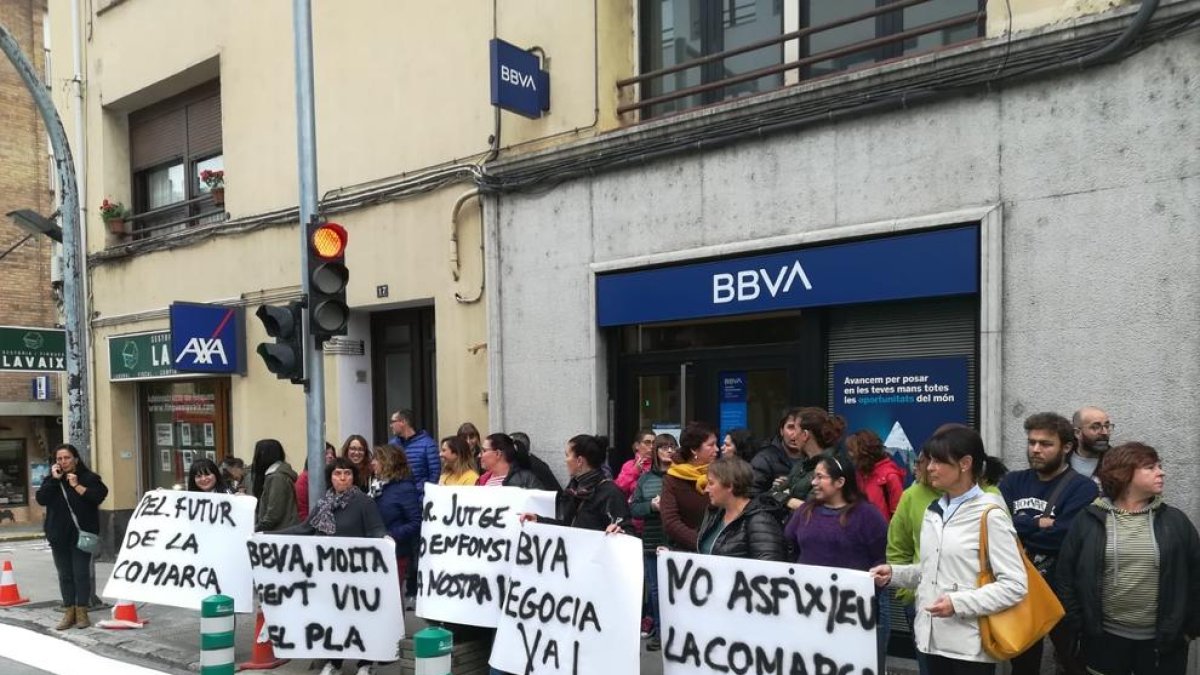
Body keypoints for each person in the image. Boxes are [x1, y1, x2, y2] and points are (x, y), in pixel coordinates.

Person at [870, 426, 1027, 675]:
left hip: (968, 647)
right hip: (928, 640)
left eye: (938, 461)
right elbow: (933, 569)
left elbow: (1015, 585)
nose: (929, 467)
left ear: (965, 463)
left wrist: (958, 603)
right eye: (929, 460)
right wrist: (895, 574)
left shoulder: (990, 513)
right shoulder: (935, 509)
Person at [1057, 442, 1200, 675]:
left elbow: (1196, 575)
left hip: (1163, 644)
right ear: (1124, 474)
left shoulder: (1175, 521)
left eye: (1160, 466)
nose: (1161, 472)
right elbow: (1066, 576)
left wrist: (1189, 630)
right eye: (1150, 467)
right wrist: (1080, 625)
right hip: (1104, 640)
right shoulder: (1089, 519)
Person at [1000, 413, 1097, 675]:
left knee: (1073, 662)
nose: (1036, 450)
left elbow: (1064, 537)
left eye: (1045, 444)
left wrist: (1020, 525)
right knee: (1023, 666)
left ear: (1066, 447)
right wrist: (1037, 524)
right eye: (1032, 442)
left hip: (1063, 594)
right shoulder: (1012, 481)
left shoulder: (1083, 488)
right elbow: (998, 530)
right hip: (1021, 590)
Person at [283, 457, 387, 675]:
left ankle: (366, 663)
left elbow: (376, 530)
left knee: (360, 619)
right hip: (328, 576)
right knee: (332, 619)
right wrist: (267, 536)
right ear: (330, 477)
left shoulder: (364, 503)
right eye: (337, 473)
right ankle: (334, 662)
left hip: (357, 575)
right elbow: (304, 530)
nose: (342, 478)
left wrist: (386, 541)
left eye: (347, 473)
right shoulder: (324, 503)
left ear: (354, 477)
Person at [786, 453, 888, 671]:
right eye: (814, 477)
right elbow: (790, 546)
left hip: (851, 616)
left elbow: (881, 559)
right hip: (807, 610)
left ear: (840, 482)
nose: (813, 483)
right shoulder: (805, 511)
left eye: (820, 477)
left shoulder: (867, 516)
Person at [36, 443, 108, 631]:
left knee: (81, 574)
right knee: (65, 575)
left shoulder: (89, 478)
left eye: (67, 458)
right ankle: (69, 612)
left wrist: (77, 485)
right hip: (58, 535)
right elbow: (41, 499)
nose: (63, 462)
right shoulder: (52, 480)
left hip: (81, 535)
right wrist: (53, 479)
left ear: (75, 459)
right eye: (59, 459)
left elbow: (99, 496)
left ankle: (82, 611)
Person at [524, 434, 628, 531]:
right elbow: (568, 526)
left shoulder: (610, 493)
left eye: (567, 455)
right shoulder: (574, 489)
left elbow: (627, 531)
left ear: (579, 461)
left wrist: (619, 531)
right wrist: (539, 520)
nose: (565, 460)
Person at [629, 433, 675, 651]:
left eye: (672, 447)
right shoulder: (646, 478)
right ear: (656, 452)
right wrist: (651, 506)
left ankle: (676, 633)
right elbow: (634, 508)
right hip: (652, 542)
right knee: (655, 590)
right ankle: (659, 631)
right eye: (664, 447)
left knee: (675, 591)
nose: (668, 451)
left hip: (676, 542)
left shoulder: (681, 475)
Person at [698, 456, 786, 560]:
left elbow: (768, 567)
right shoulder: (715, 515)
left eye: (711, 483)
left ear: (730, 486)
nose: (707, 489)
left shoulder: (760, 520)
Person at [372, 445, 422, 608]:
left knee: (391, 596)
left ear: (388, 463)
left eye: (377, 459)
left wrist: (391, 535)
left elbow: (416, 521)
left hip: (396, 551)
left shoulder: (404, 488)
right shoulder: (378, 486)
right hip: (377, 550)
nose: (373, 463)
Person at [772, 407, 849, 510]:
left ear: (805, 435)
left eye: (795, 429)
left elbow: (813, 509)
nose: (793, 436)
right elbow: (773, 493)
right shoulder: (802, 465)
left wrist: (785, 499)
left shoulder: (834, 467)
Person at [660, 422, 719, 551]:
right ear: (694, 450)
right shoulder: (672, 478)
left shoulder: (721, 473)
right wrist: (701, 543)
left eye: (716, 444)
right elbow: (670, 521)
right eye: (711, 445)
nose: (717, 449)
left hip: (721, 549)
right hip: (687, 554)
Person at [846, 429, 906, 522]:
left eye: (852, 450)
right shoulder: (859, 474)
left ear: (865, 451)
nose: (850, 455)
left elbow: (899, 516)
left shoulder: (890, 476)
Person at [749, 407, 804, 497]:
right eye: (791, 427)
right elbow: (751, 495)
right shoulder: (764, 459)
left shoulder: (813, 457)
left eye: (800, 428)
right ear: (781, 431)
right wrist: (774, 492)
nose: (795, 433)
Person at [252, 439, 300, 533]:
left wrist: (255, 529)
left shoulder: (277, 478)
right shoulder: (275, 475)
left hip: (280, 533)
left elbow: (273, 514)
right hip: (281, 531)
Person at [389, 409, 440, 493]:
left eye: (393, 422)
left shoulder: (428, 444)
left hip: (419, 497)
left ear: (403, 422)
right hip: (398, 496)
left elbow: (435, 473)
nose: (391, 425)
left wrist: (425, 494)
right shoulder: (392, 445)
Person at [476, 433, 545, 489]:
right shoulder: (482, 480)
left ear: (497, 454)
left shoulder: (526, 480)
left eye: (484, 451)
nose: (479, 455)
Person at [1069, 406, 1113, 481]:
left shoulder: (1117, 463)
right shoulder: (1060, 461)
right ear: (1077, 433)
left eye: (1107, 426)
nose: (1104, 432)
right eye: (1095, 427)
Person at [295, 442, 336, 521]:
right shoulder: (304, 478)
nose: (331, 456)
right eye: (326, 453)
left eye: (332, 454)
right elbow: (302, 509)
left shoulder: (333, 478)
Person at [615, 429, 656, 498]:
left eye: (654, 443)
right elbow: (618, 488)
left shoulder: (659, 464)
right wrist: (635, 471)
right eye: (647, 442)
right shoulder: (629, 465)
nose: (652, 446)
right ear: (637, 445)